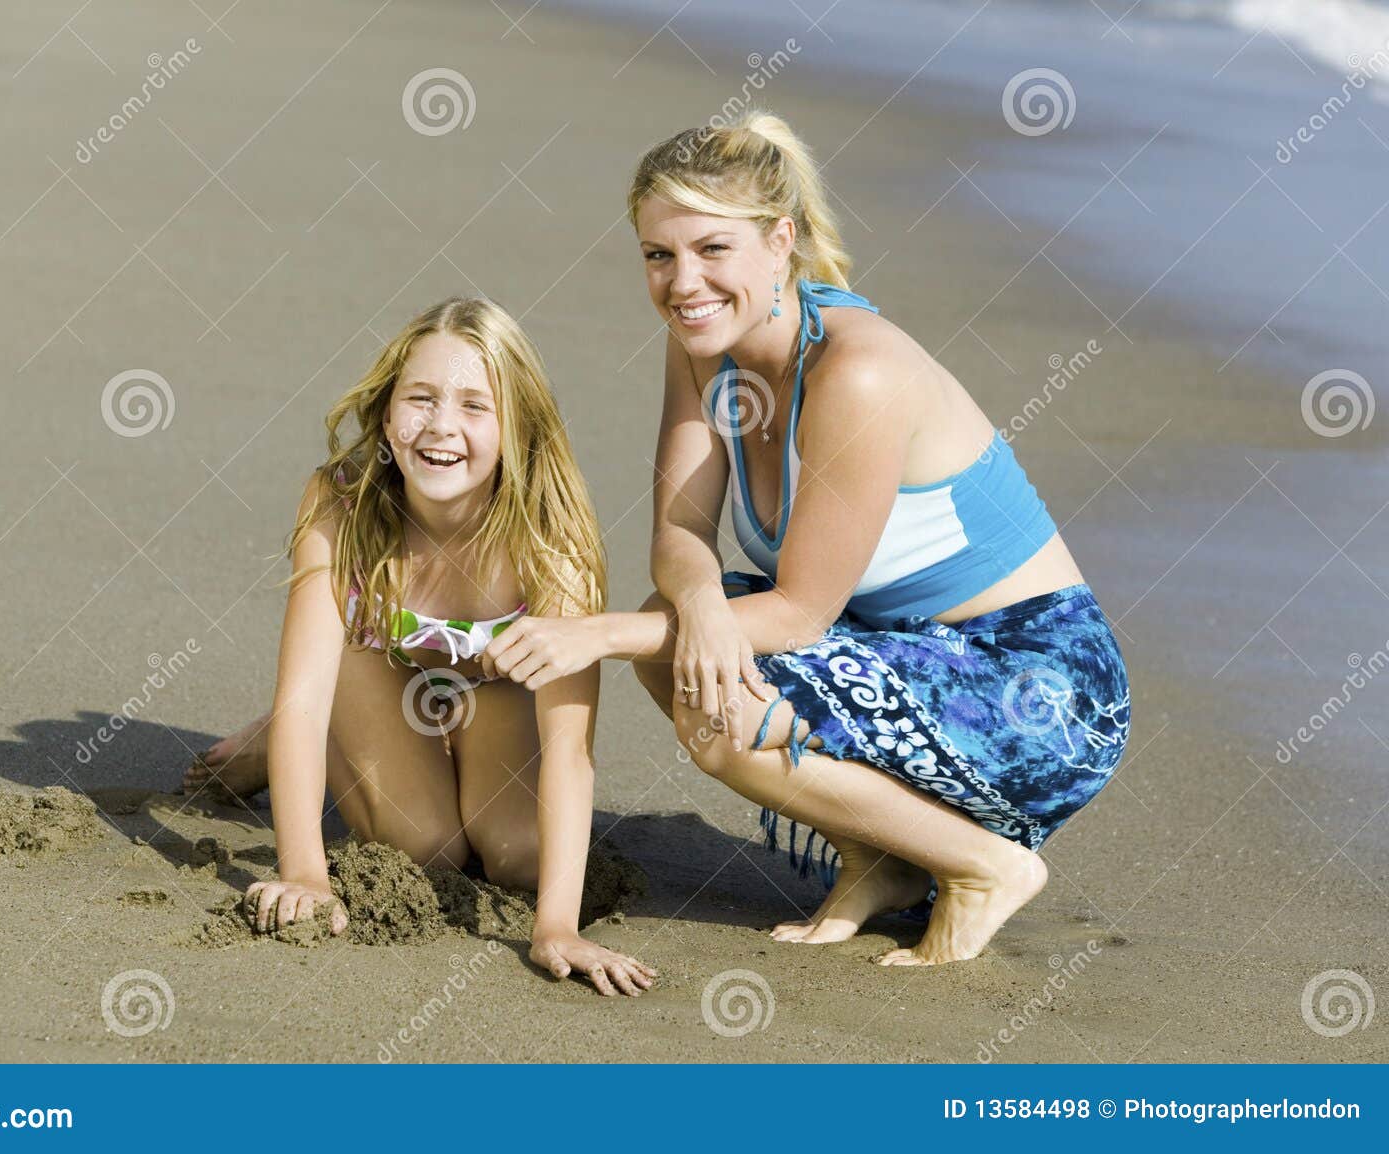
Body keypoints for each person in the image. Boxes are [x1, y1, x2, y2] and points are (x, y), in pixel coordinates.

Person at [481, 113, 1130, 966]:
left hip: (1038, 691)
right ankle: (885, 858)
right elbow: (679, 530)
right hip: (904, 649)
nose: (683, 283)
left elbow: (799, 615)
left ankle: (984, 868)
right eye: (658, 254)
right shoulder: (703, 345)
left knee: (718, 710)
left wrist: (594, 634)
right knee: (674, 651)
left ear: (780, 241)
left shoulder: (857, 372)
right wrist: (700, 601)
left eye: (712, 249)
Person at [187, 297, 655, 996]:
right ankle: (302, 740)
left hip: (490, 689)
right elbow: (304, 702)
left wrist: (557, 926)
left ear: (518, 429)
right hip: (373, 669)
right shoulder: (341, 502)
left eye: (475, 406)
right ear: (386, 414)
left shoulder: (550, 538)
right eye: (421, 398)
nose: (441, 426)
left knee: (520, 856)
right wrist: (305, 873)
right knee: (425, 847)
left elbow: (568, 746)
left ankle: (419, 745)